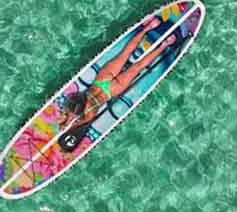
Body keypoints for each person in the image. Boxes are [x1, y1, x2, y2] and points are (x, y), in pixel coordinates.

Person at [58, 13, 165, 151]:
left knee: (138, 66)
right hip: (102, 81)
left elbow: (78, 122)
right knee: (125, 54)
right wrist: (67, 121)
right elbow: (73, 111)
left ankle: (164, 44)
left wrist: (68, 123)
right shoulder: (76, 100)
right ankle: (149, 27)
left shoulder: (89, 115)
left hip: (111, 91)